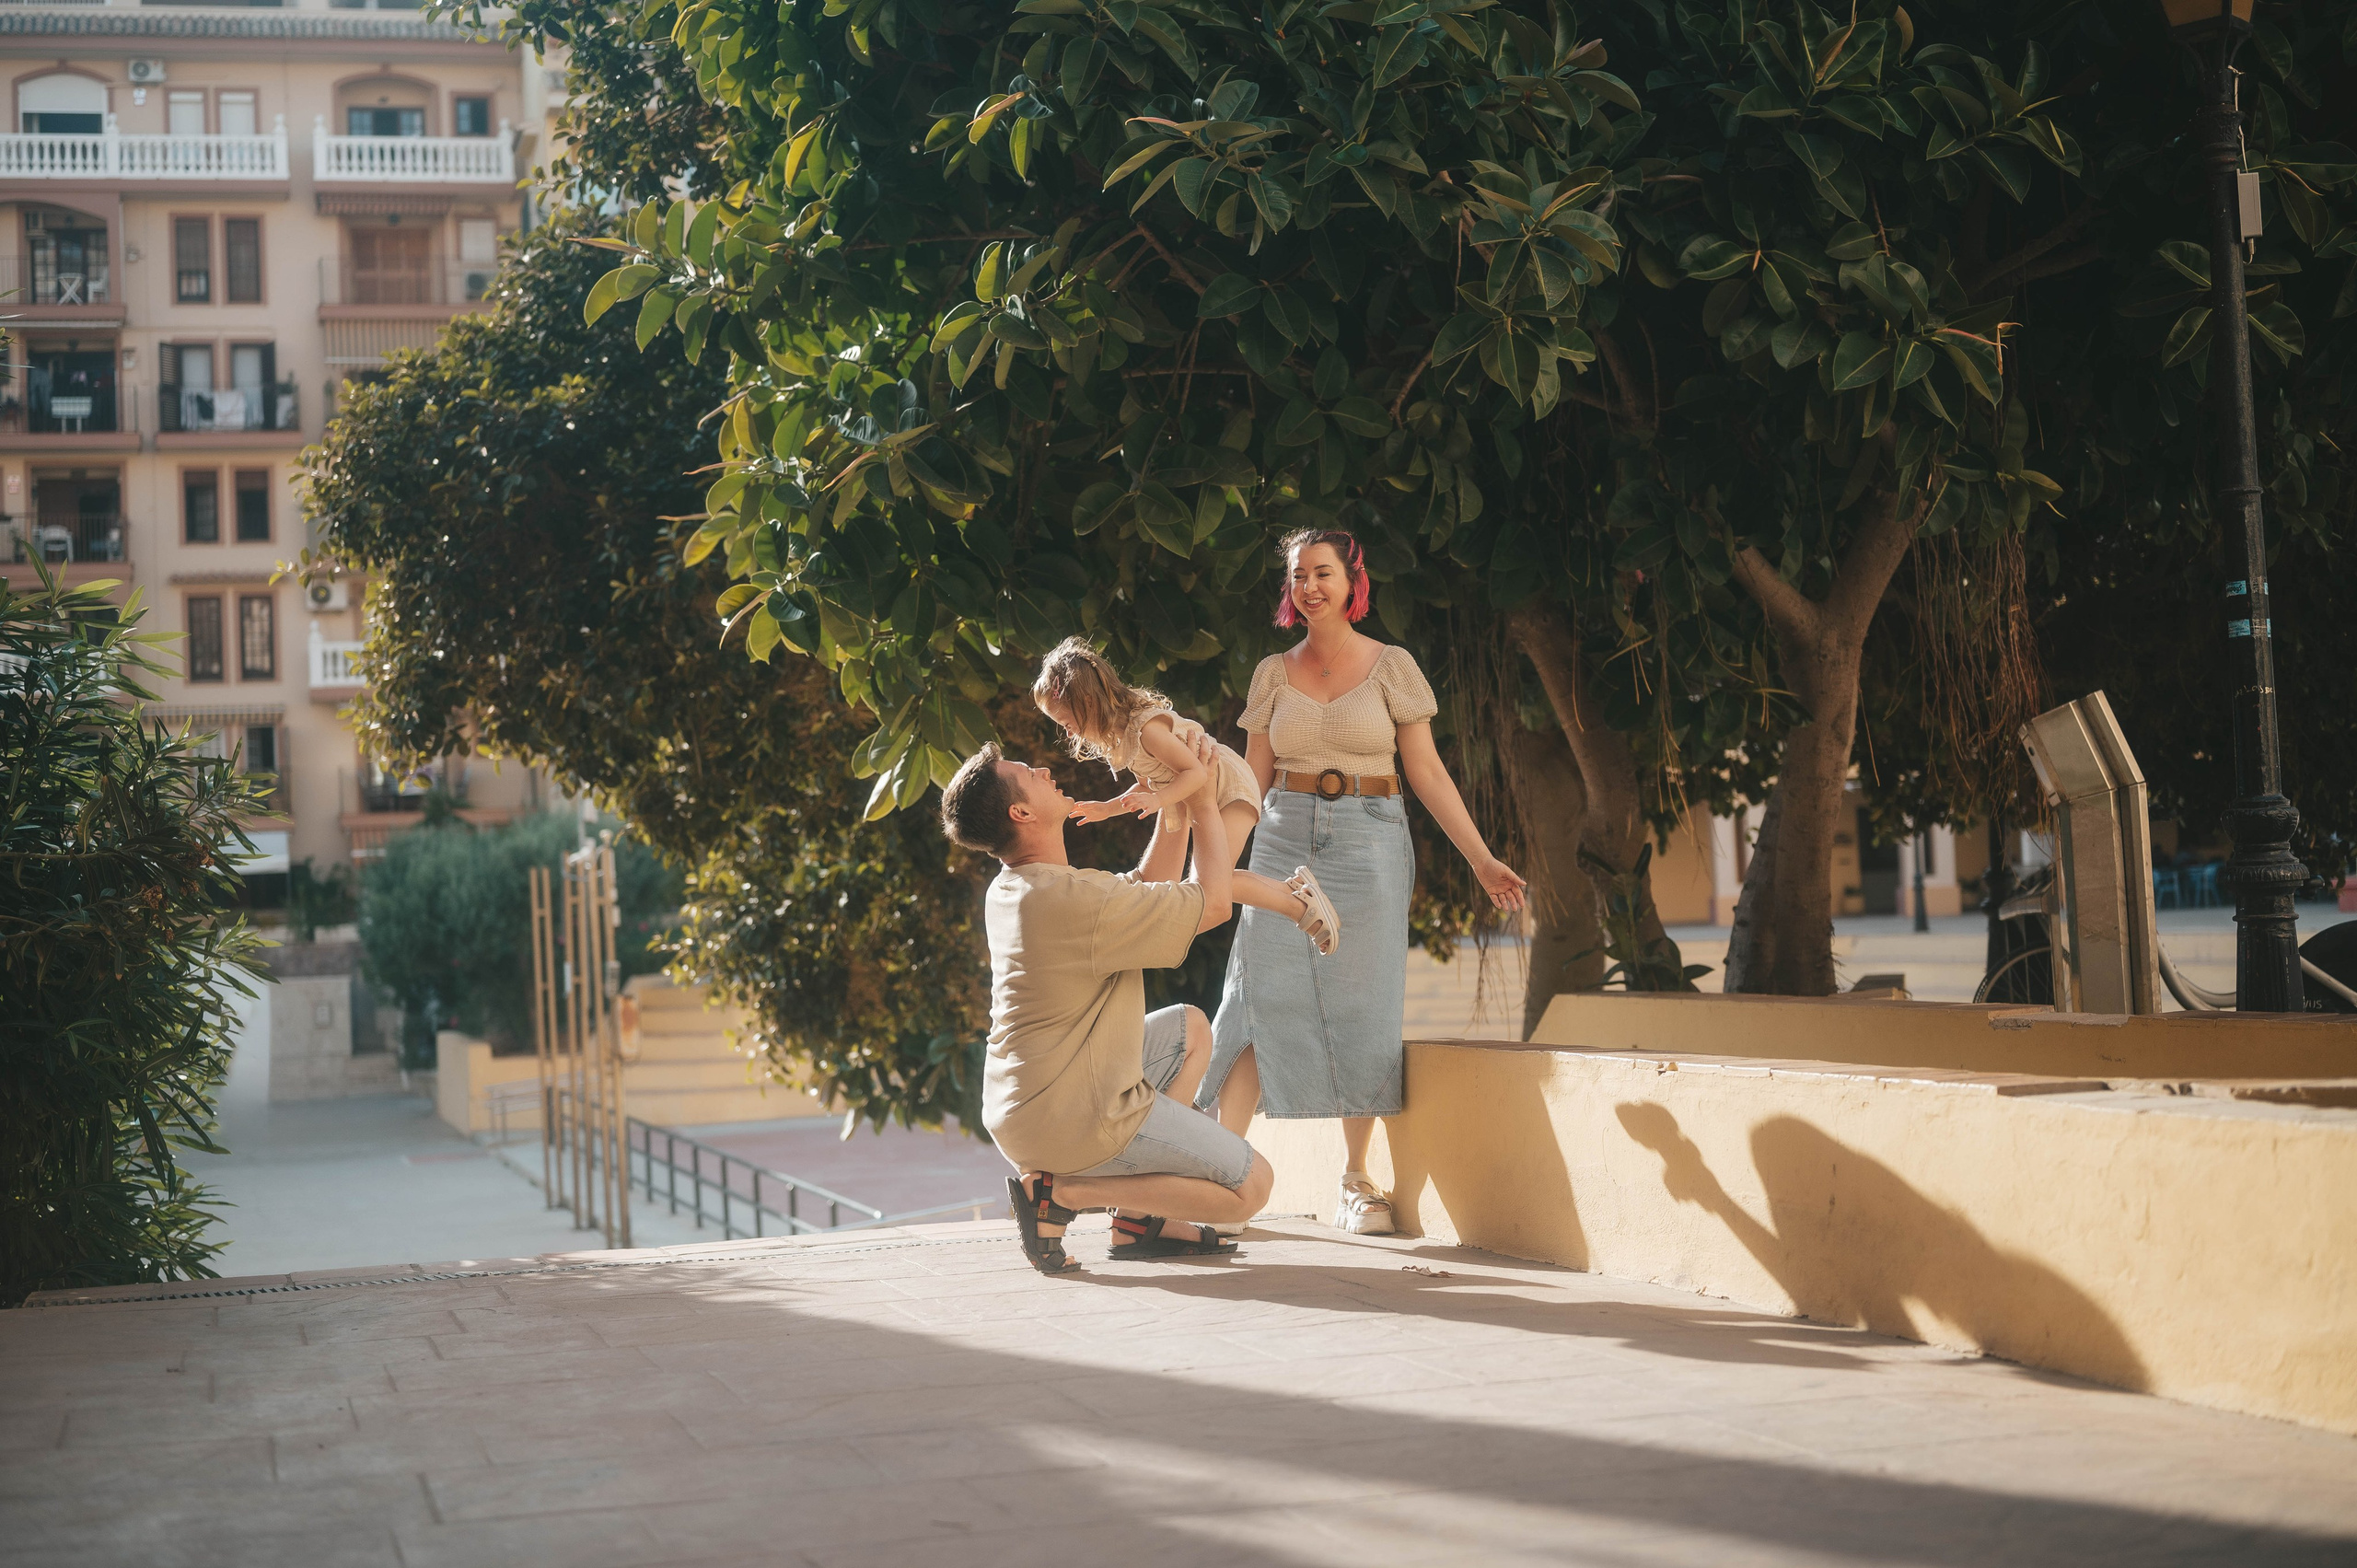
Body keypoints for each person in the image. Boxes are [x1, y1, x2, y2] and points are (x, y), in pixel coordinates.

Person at [1198, 528, 1528, 1236]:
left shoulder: (1392, 665)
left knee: (1364, 1006)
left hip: (1370, 839)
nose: (1309, 585)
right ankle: (1220, 1177)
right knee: (1255, 996)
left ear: (1353, 583)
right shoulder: (1270, 674)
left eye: (1323, 572)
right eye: (1298, 575)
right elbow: (1250, 780)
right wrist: (1218, 861)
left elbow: (1428, 772)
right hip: (1282, 835)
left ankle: (1356, 1181)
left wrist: (1479, 856)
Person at [941, 740, 1300, 1273]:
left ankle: (1138, 1221)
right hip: (1073, 1116)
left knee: (1190, 1031)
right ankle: (1068, 1194)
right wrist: (1201, 796)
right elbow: (1215, 902)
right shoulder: (1073, 902)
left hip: (1029, 1106)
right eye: (1028, 772)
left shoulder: (1019, 886)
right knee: (1252, 1188)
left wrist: (1172, 799)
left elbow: (1144, 890)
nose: (1043, 768)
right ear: (1021, 812)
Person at [1033, 635, 1340, 954]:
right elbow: (1151, 784)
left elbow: (1195, 772)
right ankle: (1295, 894)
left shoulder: (1146, 730)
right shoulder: (1124, 739)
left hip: (1229, 788)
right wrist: (1109, 809)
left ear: (1088, 703)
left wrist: (1158, 802)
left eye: (1066, 722)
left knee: (1209, 887)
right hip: (1204, 794)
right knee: (1208, 886)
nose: (1067, 732)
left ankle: (1301, 907)